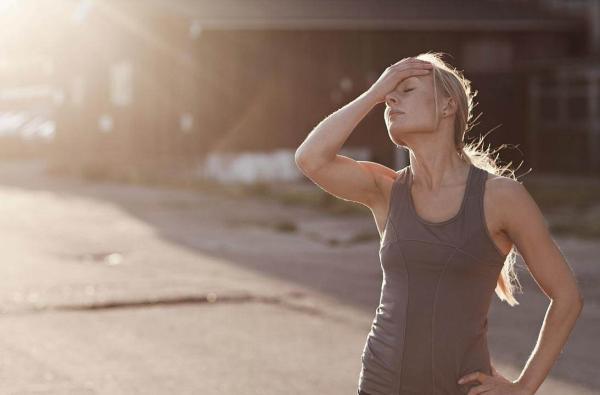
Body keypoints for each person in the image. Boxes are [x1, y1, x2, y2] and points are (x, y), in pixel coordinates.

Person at [294, 52, 584, 395]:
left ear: (447, 106)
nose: (391, 98)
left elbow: (567, 296)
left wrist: (524, 387)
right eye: (389, 93)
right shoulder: (386, 191)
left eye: (407, 89)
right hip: (379, 384)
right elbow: (310, 158)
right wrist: (374, 91)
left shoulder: (501, 197)